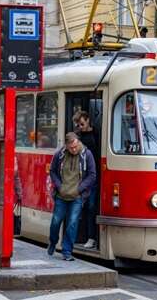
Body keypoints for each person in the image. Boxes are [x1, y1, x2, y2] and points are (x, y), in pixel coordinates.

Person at [47, 132, 96, 261]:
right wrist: (59, 186)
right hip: (61, 195)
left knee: (72, 223)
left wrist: (79, 189)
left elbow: (92, 175)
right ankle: (53, 241)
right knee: (56, 222)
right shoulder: (60, 154)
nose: (74, 150)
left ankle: (67, 251)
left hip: (77, 196)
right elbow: (52, 171)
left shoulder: (87, 154)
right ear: (66, 146)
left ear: (78, 142)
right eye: (71, 148)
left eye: (76, 146)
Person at [73, 111, 100, 249]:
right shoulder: (77, 136)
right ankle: (78, 236)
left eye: (82, 124)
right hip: (80, 177)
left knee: (91, 206)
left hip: (93, 176)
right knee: (79, 206)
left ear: (88, 120)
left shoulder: (97, 134)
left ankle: (91, 237)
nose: (80, 127)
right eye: (78, 124)